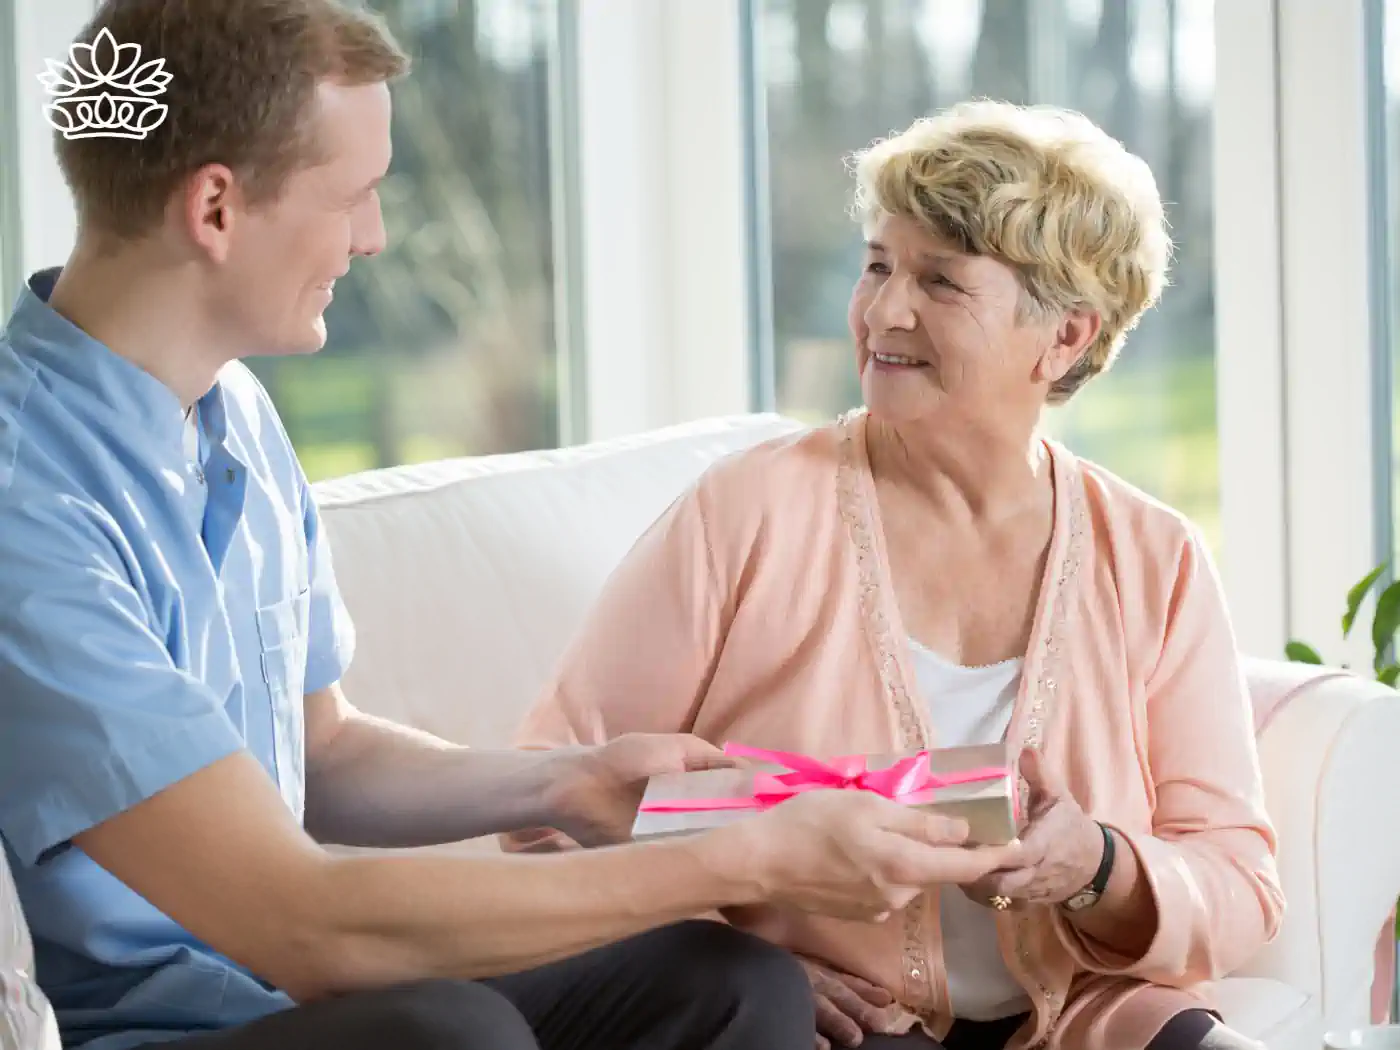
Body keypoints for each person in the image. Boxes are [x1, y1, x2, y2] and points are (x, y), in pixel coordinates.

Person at [0, 4, 1024, 1050]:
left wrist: (567, 785)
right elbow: (301, 923)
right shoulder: (24, 506)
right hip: (168, 1026)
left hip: (296, 991)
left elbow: (322, 748)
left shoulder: (232, 416)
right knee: (449, 1034)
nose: (373, 235)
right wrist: (748, 860)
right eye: (354, 194)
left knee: (726, 983)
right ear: (215, 208)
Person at [510, 101, 1283, 1050]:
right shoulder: (747, 510)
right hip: (822, 1021)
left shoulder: (1154, 556)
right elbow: (548, 804)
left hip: (1084, 1017)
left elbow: (1240, 882)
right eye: (877, 264)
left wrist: (1099, 865)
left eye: (941, 282)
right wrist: (732, 969)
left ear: (1066, 337)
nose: (884, 311)